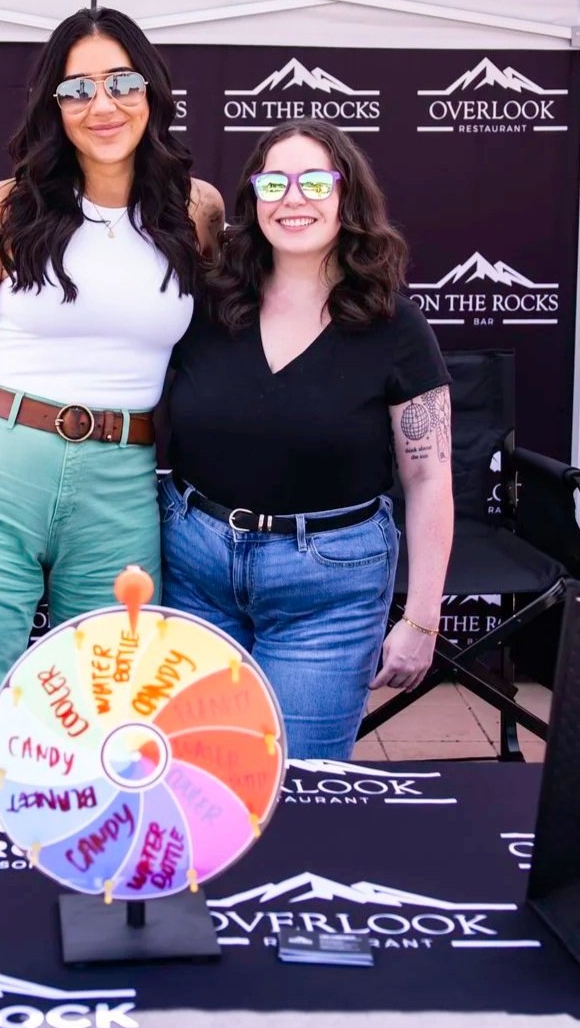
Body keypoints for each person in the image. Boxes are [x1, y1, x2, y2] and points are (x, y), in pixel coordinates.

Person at [0, 6, 223, 759]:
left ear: (153, 90)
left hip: (121, 478)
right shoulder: (8, 208)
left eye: (120, 82)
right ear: (53, 104)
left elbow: (221, 351)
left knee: (109, 698)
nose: (101, 105)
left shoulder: (197, 209)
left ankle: (89, 869)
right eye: (77, 89)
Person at [159, 119, 453, 759]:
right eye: (275, 182)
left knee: (299, 786)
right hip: (195, 567)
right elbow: (113, 369)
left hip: (328, 584)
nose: (294, 198)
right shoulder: (207, 305)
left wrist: (423, 617)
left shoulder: (393, 324)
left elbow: (430, 478)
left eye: (316, 180)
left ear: (348, 198)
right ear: (253, 199)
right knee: (197, 771)